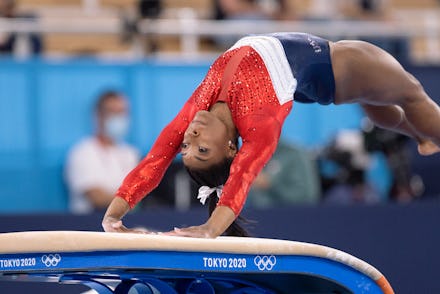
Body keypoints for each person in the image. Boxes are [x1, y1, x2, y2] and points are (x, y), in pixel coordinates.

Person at [102, 32, 440, 238]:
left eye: (187, 146)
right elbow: (240, 182)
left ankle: (421, 136)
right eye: (202, 148)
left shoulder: (193, 114)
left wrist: (113, 215)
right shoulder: (258, 124)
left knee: (376, 104)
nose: (190, 136)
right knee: (411, 92)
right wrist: (210, 229)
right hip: (336, 66)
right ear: (232, 149)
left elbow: (154, 162)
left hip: (301, 76)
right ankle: (429, 134)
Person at [66, 91, 139, 214]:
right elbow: (96, 197)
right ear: (99, 116)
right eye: (113, 112)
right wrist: (130, 200)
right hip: (89, 225)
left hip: (123, 224)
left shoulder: (130, 153)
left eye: (122, 112)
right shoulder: (82, 152)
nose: (119, 117)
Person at [247, 140, 320, 208]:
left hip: (290, 217)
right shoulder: (248, 155)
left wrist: (270, 186)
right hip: (256, 217)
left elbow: (307, 196)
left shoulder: (293, 154)